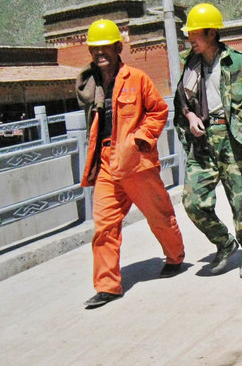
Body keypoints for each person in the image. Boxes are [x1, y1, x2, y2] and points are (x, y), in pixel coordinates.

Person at [76, 19, 185, 309]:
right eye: (95, 48)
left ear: (117, 47)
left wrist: (141, 138)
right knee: (104, 227)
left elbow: (158, 111)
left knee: (159, 216)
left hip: (136, 163)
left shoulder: (136, 78)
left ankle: (175, 256)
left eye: (105, 47)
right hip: (106, 165)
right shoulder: (91, 84)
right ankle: (107, 286)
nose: (100, 53)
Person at [174, 3, 242, 279]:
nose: (189, 38)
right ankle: (224, 243)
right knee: (193, 201)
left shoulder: (237, 62)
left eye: (194, 33)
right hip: (203, 140)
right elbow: (183, 100)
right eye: (188, 33)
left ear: (211, 33)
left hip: (233, 138)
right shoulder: (189, 64)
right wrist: (190, 116)